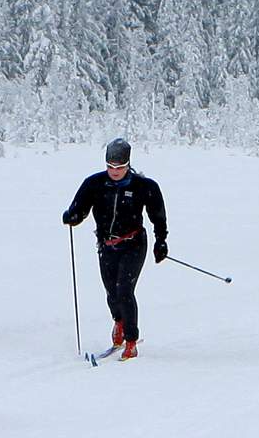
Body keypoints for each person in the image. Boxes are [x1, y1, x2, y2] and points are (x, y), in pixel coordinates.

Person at [62, 136, 167, 360]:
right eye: (110, 167)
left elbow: (158, 215)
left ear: (128, 164)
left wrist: (161, 241)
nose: (114, 171)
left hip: (134, 243)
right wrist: (72, 216)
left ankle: (131, 340)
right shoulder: (95, 183)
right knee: (111, 292)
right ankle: (118, 321)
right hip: (106, 245)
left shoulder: (143, 186)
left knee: (124, 290)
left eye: (119, 167)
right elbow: (79, 209)